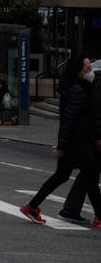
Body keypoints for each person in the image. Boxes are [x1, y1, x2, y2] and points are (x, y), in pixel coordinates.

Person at [19, 54, 101, 226]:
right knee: (91, 178)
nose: (90, 71)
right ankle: (99, 217)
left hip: (75, 142)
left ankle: (32, 206)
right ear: (78, 70)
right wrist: (62, 145)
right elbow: (69, 119)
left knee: (63, 176)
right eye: (87, 68)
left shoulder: (76, 87)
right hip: (78, 143)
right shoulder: (77, 90)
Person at [58, 62, 101, 225]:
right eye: (86, 68)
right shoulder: (95, 83)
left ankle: (71, 209)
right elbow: (96, 110)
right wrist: (97, 136)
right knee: (89, 173)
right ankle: (72, 209)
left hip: (88, 137)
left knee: (89, 173)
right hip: (91, 137)